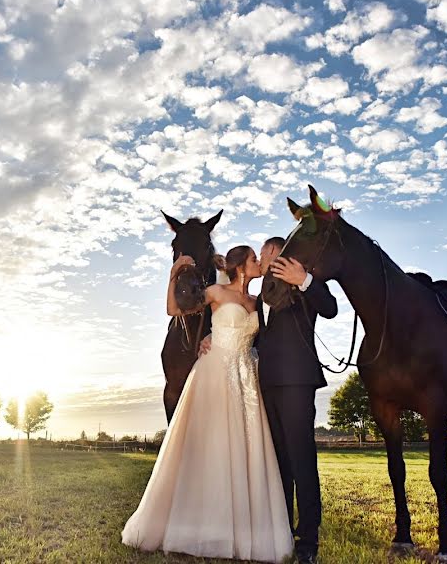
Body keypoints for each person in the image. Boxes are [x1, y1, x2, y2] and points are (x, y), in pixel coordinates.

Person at [121, 245, 294, 563]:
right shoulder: (215, 291)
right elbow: (175, 310)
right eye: (255, 260)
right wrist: (173, 275)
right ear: (241, 266)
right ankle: (197, 525)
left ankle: (237, 529)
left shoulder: (258, 302)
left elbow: (264, 339)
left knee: (241, 450)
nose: (259, 264)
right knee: (210, 449)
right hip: (213, 375)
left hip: (246, 380)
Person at [200, 237, 338, 564]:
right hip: (264, 384)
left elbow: (330, 308)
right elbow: (253, 335)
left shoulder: (301, 280)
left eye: (262, 253)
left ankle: (309, 539)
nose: (259, 259)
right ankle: (283, 529)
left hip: (296, 382)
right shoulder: (261, 295)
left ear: (275, 252)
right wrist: (212, 335)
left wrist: (303, 280)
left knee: (302, 458)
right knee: (279, 463)